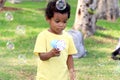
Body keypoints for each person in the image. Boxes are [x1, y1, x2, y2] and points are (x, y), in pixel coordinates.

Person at [33, 0, 77, 80]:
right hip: (45, 77)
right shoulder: (43, 36)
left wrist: (71, 71)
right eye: (57, 21)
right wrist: (50, 54)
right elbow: (42, 56)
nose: (61, 25)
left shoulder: (68, 37)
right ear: (48, 19)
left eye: (64, 22)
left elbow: (69, 56)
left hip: (63, 77)